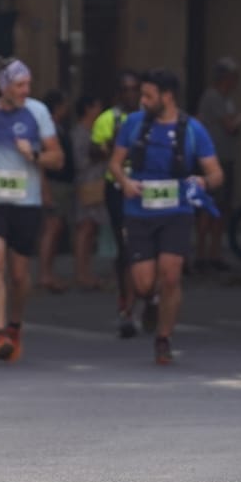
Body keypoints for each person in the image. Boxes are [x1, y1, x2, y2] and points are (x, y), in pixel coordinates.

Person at [108, 70, 223, 366]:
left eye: (148, 96)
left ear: (167, 97)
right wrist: (125, 182)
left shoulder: (193, 129)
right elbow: (115, 163)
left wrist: (203, 181)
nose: (142, 101)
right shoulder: (134, 124)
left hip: (177, 211)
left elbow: (216, 173)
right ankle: (151, 300)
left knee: (171, 275)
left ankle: (163, 338)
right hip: (139, 211)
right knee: (144, 284)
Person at [0, 59, 61, 361]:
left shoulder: (37, 112)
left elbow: (57, 158)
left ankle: (15, 324)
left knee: (20, 275)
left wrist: (34, 154)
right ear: (4, 86)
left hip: (26, 203)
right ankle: (0, 333)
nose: (26, 90)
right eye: (20, 85)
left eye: (28, 84)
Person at [91, 70, 143, 338]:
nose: (131, 94)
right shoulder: (108, 118)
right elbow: (94, 150)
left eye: (135, 89)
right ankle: (127, 306)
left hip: (148, 187)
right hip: (119, 188)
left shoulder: (150, 117)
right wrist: (111, 147)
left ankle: (150, 297)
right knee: (126, 247)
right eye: (126, 89)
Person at [194, 57, 241, 269]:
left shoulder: (227, 99)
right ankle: (201, 254)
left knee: (221, 207)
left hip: (226, 158)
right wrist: (238, 120)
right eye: (234, 78)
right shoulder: (212, 97)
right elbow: (230, 125)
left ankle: (215, 254)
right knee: (208, 206)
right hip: (212, 160)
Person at [36, 87, 75, 292]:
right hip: (53, 184)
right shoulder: (47, 129)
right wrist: (46, 191)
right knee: (51, 228)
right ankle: (45, 274)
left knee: (55, 228)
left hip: (61, 183)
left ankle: (48, 272)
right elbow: (42, 162)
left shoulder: (57, 127)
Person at [67, 94, 107, 290]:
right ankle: (80, 272)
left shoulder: (94, 130)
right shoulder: (79, 133)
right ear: (88, 109)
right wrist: (98, 154)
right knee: (84, 227)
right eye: (97, 107)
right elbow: (79, 161)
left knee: (92, 229)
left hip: (97, 184)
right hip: (85, 184)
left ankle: (86, 271)